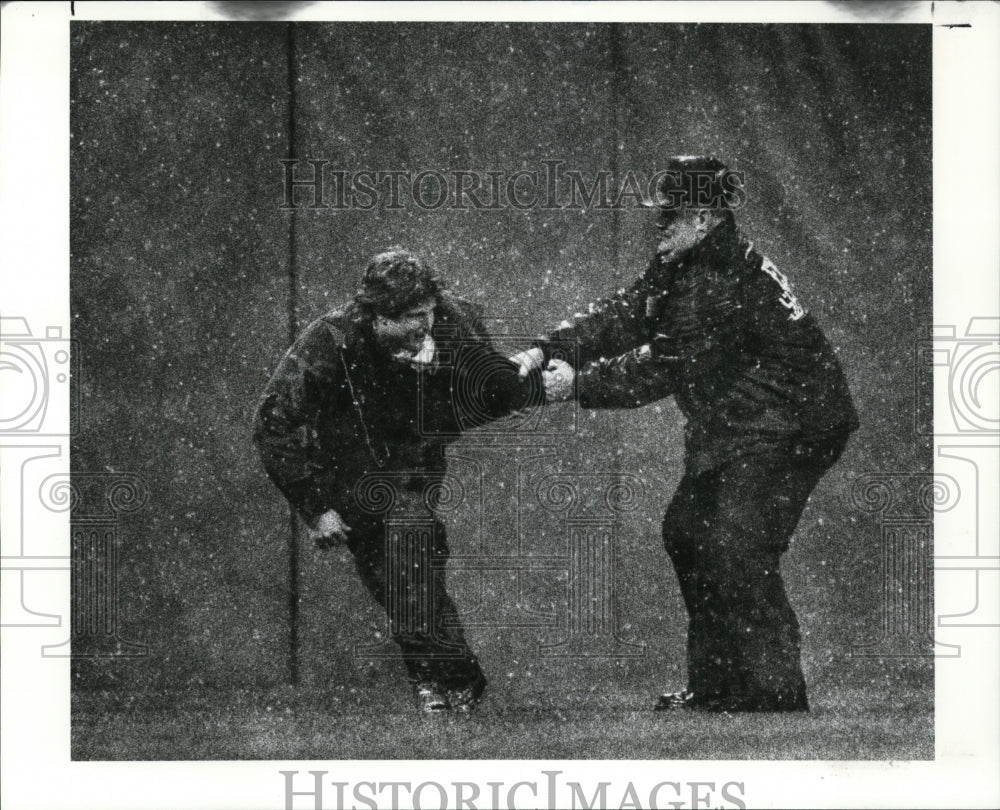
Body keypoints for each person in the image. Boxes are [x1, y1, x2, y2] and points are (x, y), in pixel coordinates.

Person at [519, 156, 859, 712]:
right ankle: (719, 687)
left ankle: (774, 696)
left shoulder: (719, 279)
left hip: (792, 427)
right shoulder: (685, 261)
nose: (660, 227)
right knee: (688, 530)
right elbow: (629, 312)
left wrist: (576, 384)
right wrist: (546, 350)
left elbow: (665, 366)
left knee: (736, 546)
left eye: (670, 217)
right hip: (744, 424)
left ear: (704, 218)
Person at [254, 248, 539, 714]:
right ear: (374, 316)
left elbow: (496, 393)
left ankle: (447, 678)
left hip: (414, 462)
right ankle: (443, 676)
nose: (422, 327)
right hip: (347, 464)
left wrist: (546, 380)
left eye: (426, 313)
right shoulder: (332, 338)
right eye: (408, 318)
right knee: (393, 577)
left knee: (411, 552)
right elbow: (272, 423)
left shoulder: (452, 320)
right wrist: (316, 505)